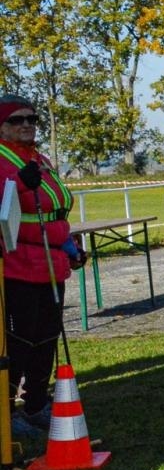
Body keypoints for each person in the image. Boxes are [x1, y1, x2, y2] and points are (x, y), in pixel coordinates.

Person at [0, 96, 86, 442]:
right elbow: (8, 216)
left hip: (51, 263)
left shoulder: (40, 159)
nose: (27, 125)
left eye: (32, 119)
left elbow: (56, 210)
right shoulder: (4, 162)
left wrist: (70, 244)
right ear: (2, 127)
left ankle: (36, 402)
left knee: (46, 339)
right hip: (17, 266)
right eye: (18, 120)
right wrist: (22, 184)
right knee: (17, 343)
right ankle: (6, 411)